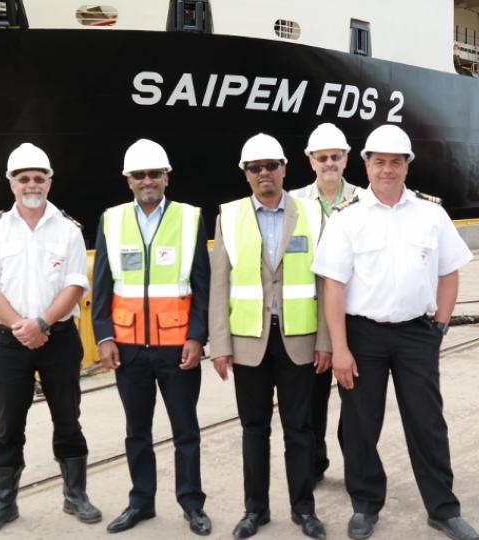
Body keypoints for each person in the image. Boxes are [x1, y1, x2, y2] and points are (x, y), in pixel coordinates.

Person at [311, 125, 479, 540]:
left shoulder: (431, 214)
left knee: (428, 423)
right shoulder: (346, 218)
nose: (388, 170)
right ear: (366, 164)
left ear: (408, 166)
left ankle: (443, 509)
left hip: (417, 335)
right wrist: (341, 348)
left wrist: (438, 326)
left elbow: (449, 273)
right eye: (380, 161)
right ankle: (365, 505)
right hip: (362, 336)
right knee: (359, 425)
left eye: (396, 162)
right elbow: (333, 285)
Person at [0, 142, 101, 535]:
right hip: (11, 343)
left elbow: (76, 284)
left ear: (49, 182)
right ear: (11, 184)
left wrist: (41, 323)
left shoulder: (68, 230)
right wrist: (21, 327)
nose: (31, 184)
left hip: (58, 339)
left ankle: (75, 495)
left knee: (68, 419)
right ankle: (3, 503)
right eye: (23, 178)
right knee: (8, 424)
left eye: (38, 178)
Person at [209, 133, 330, 540]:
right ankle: (255, 511)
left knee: (301, 428)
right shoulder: (229, 216)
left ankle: (303, 510)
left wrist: (326, 341)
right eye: (255, 167)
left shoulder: (312, 213)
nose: (264, 173)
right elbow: (219, 288)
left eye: (271, 166)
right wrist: (220, 346)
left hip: (299, 339)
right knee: (253, 429)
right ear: (246, 174)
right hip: (249, 343)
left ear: (284, 168)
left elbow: (326, 283)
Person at [93, 139, 212, 536]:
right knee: (136, 432)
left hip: (177, 348)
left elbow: (202, 285)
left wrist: (198, 337)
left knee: (186, 432)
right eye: (139, 175)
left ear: (167, 178)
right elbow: (103, 284)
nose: (147, 181)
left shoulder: (190, 218)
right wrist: (104, 337)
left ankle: (192, 504)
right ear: (128, 180)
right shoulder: (111, 220)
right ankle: (140, 502)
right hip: (128, 349)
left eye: (154, 174)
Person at [289, 123, 361, 484]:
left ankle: (356, 468)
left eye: (335, 156)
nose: (329, 163)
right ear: (310, 161)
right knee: (311, 400)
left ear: (346, 158)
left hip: (356, 315)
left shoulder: (365, 201)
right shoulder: (294, 204)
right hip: (312, 317)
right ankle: (315, 463)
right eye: (323, 157)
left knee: (356, 402)